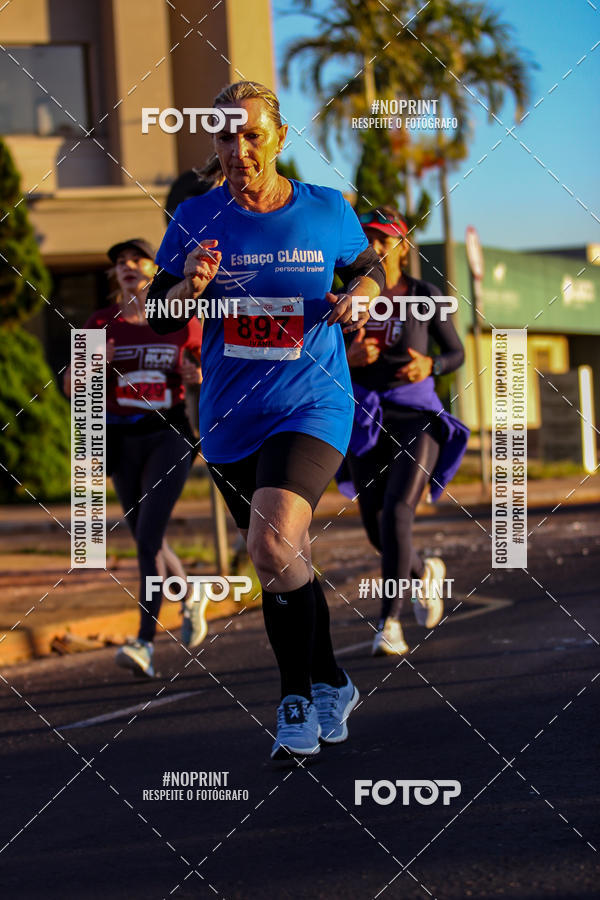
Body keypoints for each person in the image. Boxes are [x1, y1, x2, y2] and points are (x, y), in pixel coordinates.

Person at [146, 81, 385, 760]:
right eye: (226, 136)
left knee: (270, 546)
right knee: (287, 558)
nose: (238, 149)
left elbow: (369, 270)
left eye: (252, 134)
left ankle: (295, 702)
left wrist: (363, 294)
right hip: (229, 414)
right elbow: (158, 312)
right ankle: (334, 678)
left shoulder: (326, 208)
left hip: (313, 401)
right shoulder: (195, 215)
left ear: (279, 138)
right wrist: (185, 285)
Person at [63, 238, 207, 678]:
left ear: (155, 267)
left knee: (147, 540)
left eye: (137, 259)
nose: (127, 266)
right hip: (121, 438)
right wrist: (91, 364)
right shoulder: (101, 322)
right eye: (120, 263)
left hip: (169, 435)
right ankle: (189, 594)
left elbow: (215, 367)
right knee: (149, 535)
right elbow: (71, 387)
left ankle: (144, 640)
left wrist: (198, 372)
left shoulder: (181, 320)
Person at [344, 206, 469, 656]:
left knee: (398, 513)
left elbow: (456, 353)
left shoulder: (423, 293)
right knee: (378, 531)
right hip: (366, 419)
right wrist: (349, 359)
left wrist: (430, 364)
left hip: (417, 417)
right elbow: (319, 357)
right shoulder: (347, 297)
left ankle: (389, 621)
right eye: (366, 237)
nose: (374, 246)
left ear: (403, 245)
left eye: (383, 237)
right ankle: (424, 572)